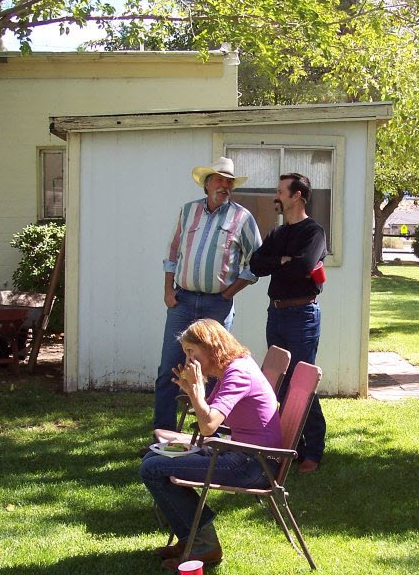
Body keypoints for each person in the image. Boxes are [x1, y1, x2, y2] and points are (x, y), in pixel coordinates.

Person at [140, 319, 282, 570]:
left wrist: (196, 392)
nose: (188, 359)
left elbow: (208, 426)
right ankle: (193, 540)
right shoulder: (234, 367)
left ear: (210, 347)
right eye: (185, 352)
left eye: (191, 351)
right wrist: (193, 389)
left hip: (254, 464)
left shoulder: (237, 373)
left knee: (152, 468)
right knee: (152, 460)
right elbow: (209, 416)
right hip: (244, 455)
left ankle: (203, 545)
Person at [154, 157, 262, 432]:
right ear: (206, 184)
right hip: (183, 301)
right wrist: (168, 290)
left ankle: (207, 436)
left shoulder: (242, 217)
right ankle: (163, 435)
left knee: (215, 371)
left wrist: (228, 293)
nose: (224, 186)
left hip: (217, 306)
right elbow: (172, 254)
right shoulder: (187, 212)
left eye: (229, 182)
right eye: (219, 179)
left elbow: (257, 263)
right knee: (169, 369)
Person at [249, 173, 327, 474]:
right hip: (277, 313)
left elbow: (305, 266)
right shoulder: (278, 234)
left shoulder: (314, 232)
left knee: (302, 383)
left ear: (297, 196)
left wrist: (281, 263)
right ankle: (293, 447)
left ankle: (314, 451)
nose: (276, 196)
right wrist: (282, 260)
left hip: (302, 315)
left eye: (281, 191)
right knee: (279, 381)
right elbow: (256, 264)